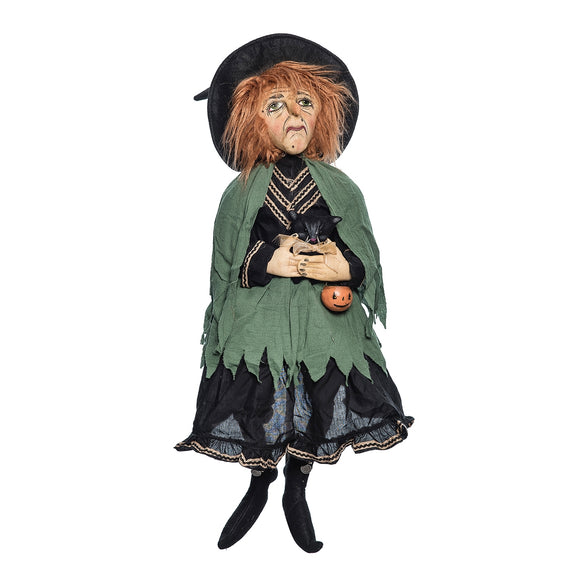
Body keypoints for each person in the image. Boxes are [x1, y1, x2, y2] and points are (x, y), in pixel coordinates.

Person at [176, 34, 413, 553]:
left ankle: (297, 485)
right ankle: (260, 481)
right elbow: (226, 264)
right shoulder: (241, 192)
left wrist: (343, 265)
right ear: (251, 120)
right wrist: (267, 260)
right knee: (264, 397)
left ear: (323, 112)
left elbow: (364, 254)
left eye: (305, 101)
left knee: (320, 397)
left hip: (324, 324)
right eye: (275, 105)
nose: (294, 115)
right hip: (260, 325)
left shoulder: (341, 187)